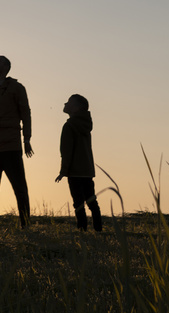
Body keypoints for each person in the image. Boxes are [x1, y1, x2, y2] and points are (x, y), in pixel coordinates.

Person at [0, 56, 33, 228]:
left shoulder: (17, 88)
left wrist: (27, 138)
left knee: (19, 187)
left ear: (6, 67)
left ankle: (25, 223)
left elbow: (25, 114)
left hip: (11, 145)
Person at [55, 94, 102, 232]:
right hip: (87, 170)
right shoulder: (86, 124)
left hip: (74, 171)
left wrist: (63, 171)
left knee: (78, 203)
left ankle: (82, 230)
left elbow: (66, 151)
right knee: (92, 201)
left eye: (69, 102)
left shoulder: (69, 126)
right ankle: (98, 229)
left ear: (76, 108)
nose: (65, 104)